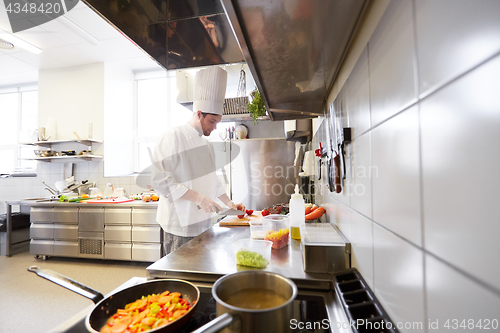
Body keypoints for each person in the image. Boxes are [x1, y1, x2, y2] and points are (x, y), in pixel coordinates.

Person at [153, 66, 245, 253]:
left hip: (203, 225)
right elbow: (158, 180)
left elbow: (214, 180)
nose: (214, 128)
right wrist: (199, 198)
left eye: (218, 123)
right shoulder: (173, 136)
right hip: (179, 226)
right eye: (212, 122)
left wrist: (230, 204)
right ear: (198, 113)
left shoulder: (206, 145)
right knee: (179, 277)